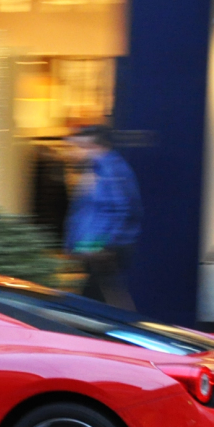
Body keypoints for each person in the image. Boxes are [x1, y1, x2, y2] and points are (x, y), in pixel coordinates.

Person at [64, 125, 142, 310]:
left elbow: (118, 210)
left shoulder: (110, 170)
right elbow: (87, 213)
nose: (72, 153)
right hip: (98, 247)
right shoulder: (97, 169)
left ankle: (127, 334)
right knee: (99, 300)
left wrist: (97, 245)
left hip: (104, 249)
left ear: (91, 146)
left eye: (77, 147)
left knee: (103, 301)